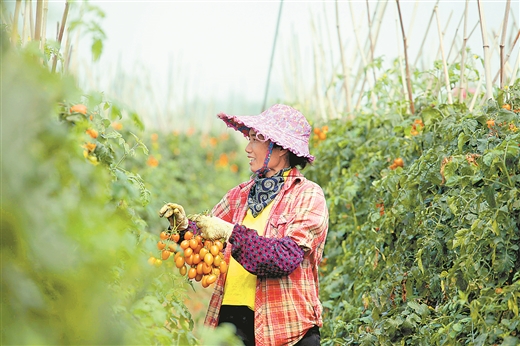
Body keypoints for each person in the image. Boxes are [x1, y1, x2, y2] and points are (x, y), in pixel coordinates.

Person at [159, 104, 329, 346]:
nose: (247, 149)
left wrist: (230, 231)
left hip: (286, 331)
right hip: (231, 324)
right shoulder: (239, 196)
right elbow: (205, 243)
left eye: (254, 140)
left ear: (280, 147)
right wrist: (185, 228)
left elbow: (284, 258)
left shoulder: (307, 196)